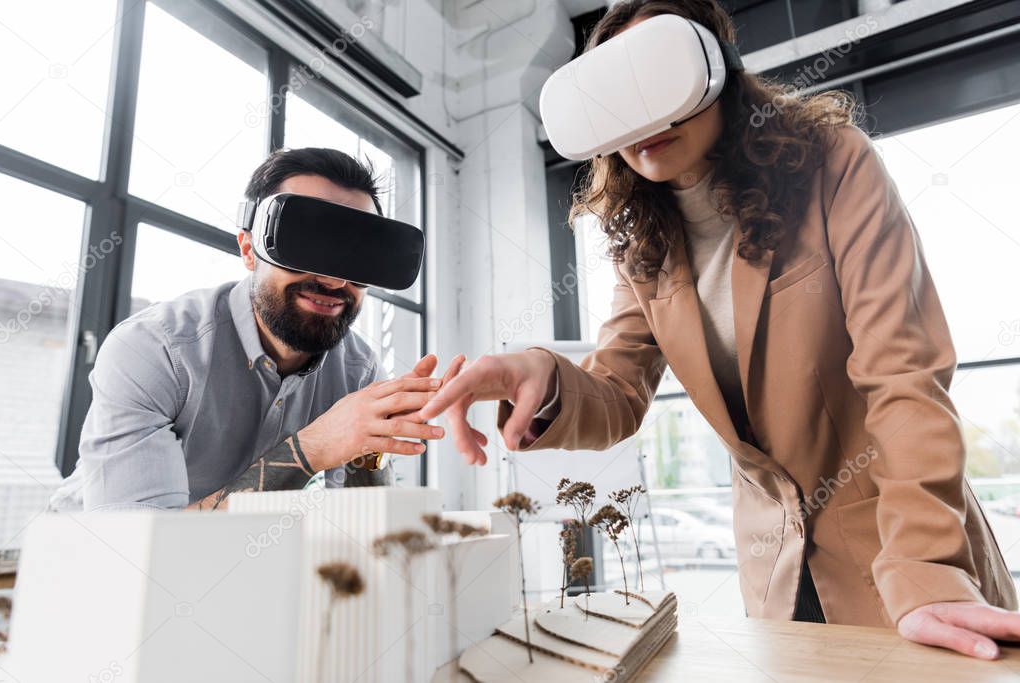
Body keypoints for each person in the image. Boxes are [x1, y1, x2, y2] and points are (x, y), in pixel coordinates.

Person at [421, 0, 1020, 660]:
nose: (642, 114)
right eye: (615, 95)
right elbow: (617, 392)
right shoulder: (643, 247)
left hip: (902, 554)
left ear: (716, 65)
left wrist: (927, 567)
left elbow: (902, 376)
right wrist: (544, 376)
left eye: (657, 76)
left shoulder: (832, 165)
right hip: (775, 575)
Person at [51, 147, 452, 512]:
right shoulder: (155, 349)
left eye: (356, 257)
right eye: (307, 244)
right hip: (89, 564)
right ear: (248, 248)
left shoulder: (358, 372)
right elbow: (139, 546)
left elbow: (365, 524)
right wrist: (312, 448)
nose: (332, 280)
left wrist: (372, 444)